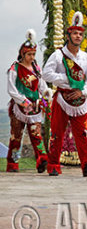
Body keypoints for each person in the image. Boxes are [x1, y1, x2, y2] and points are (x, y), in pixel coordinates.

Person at [43, 11, 87, 177]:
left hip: (79, 100)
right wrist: (67, 79)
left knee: (82, 134)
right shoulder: (58, 55)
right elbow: (46, 74)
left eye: (80, 34)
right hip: (62, 98)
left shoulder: (86, 58)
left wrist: (82, 92)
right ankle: (53, 164)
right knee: (57, 133)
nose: (78, 36)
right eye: (75, 33)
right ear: (68, 35)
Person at [6, 29, 51, 173]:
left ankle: (42, 160)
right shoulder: (15, 68)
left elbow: (42, 87)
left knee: (36, 134)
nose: (31, 57)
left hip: (35, 107)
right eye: (29, 54)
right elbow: (12, 89)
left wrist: (44, 99)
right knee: (16, 136)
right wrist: (24, 102)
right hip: (19, 107)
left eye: (33, 54)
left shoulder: (37, 69)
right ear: (22, 54)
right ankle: (13, 164)